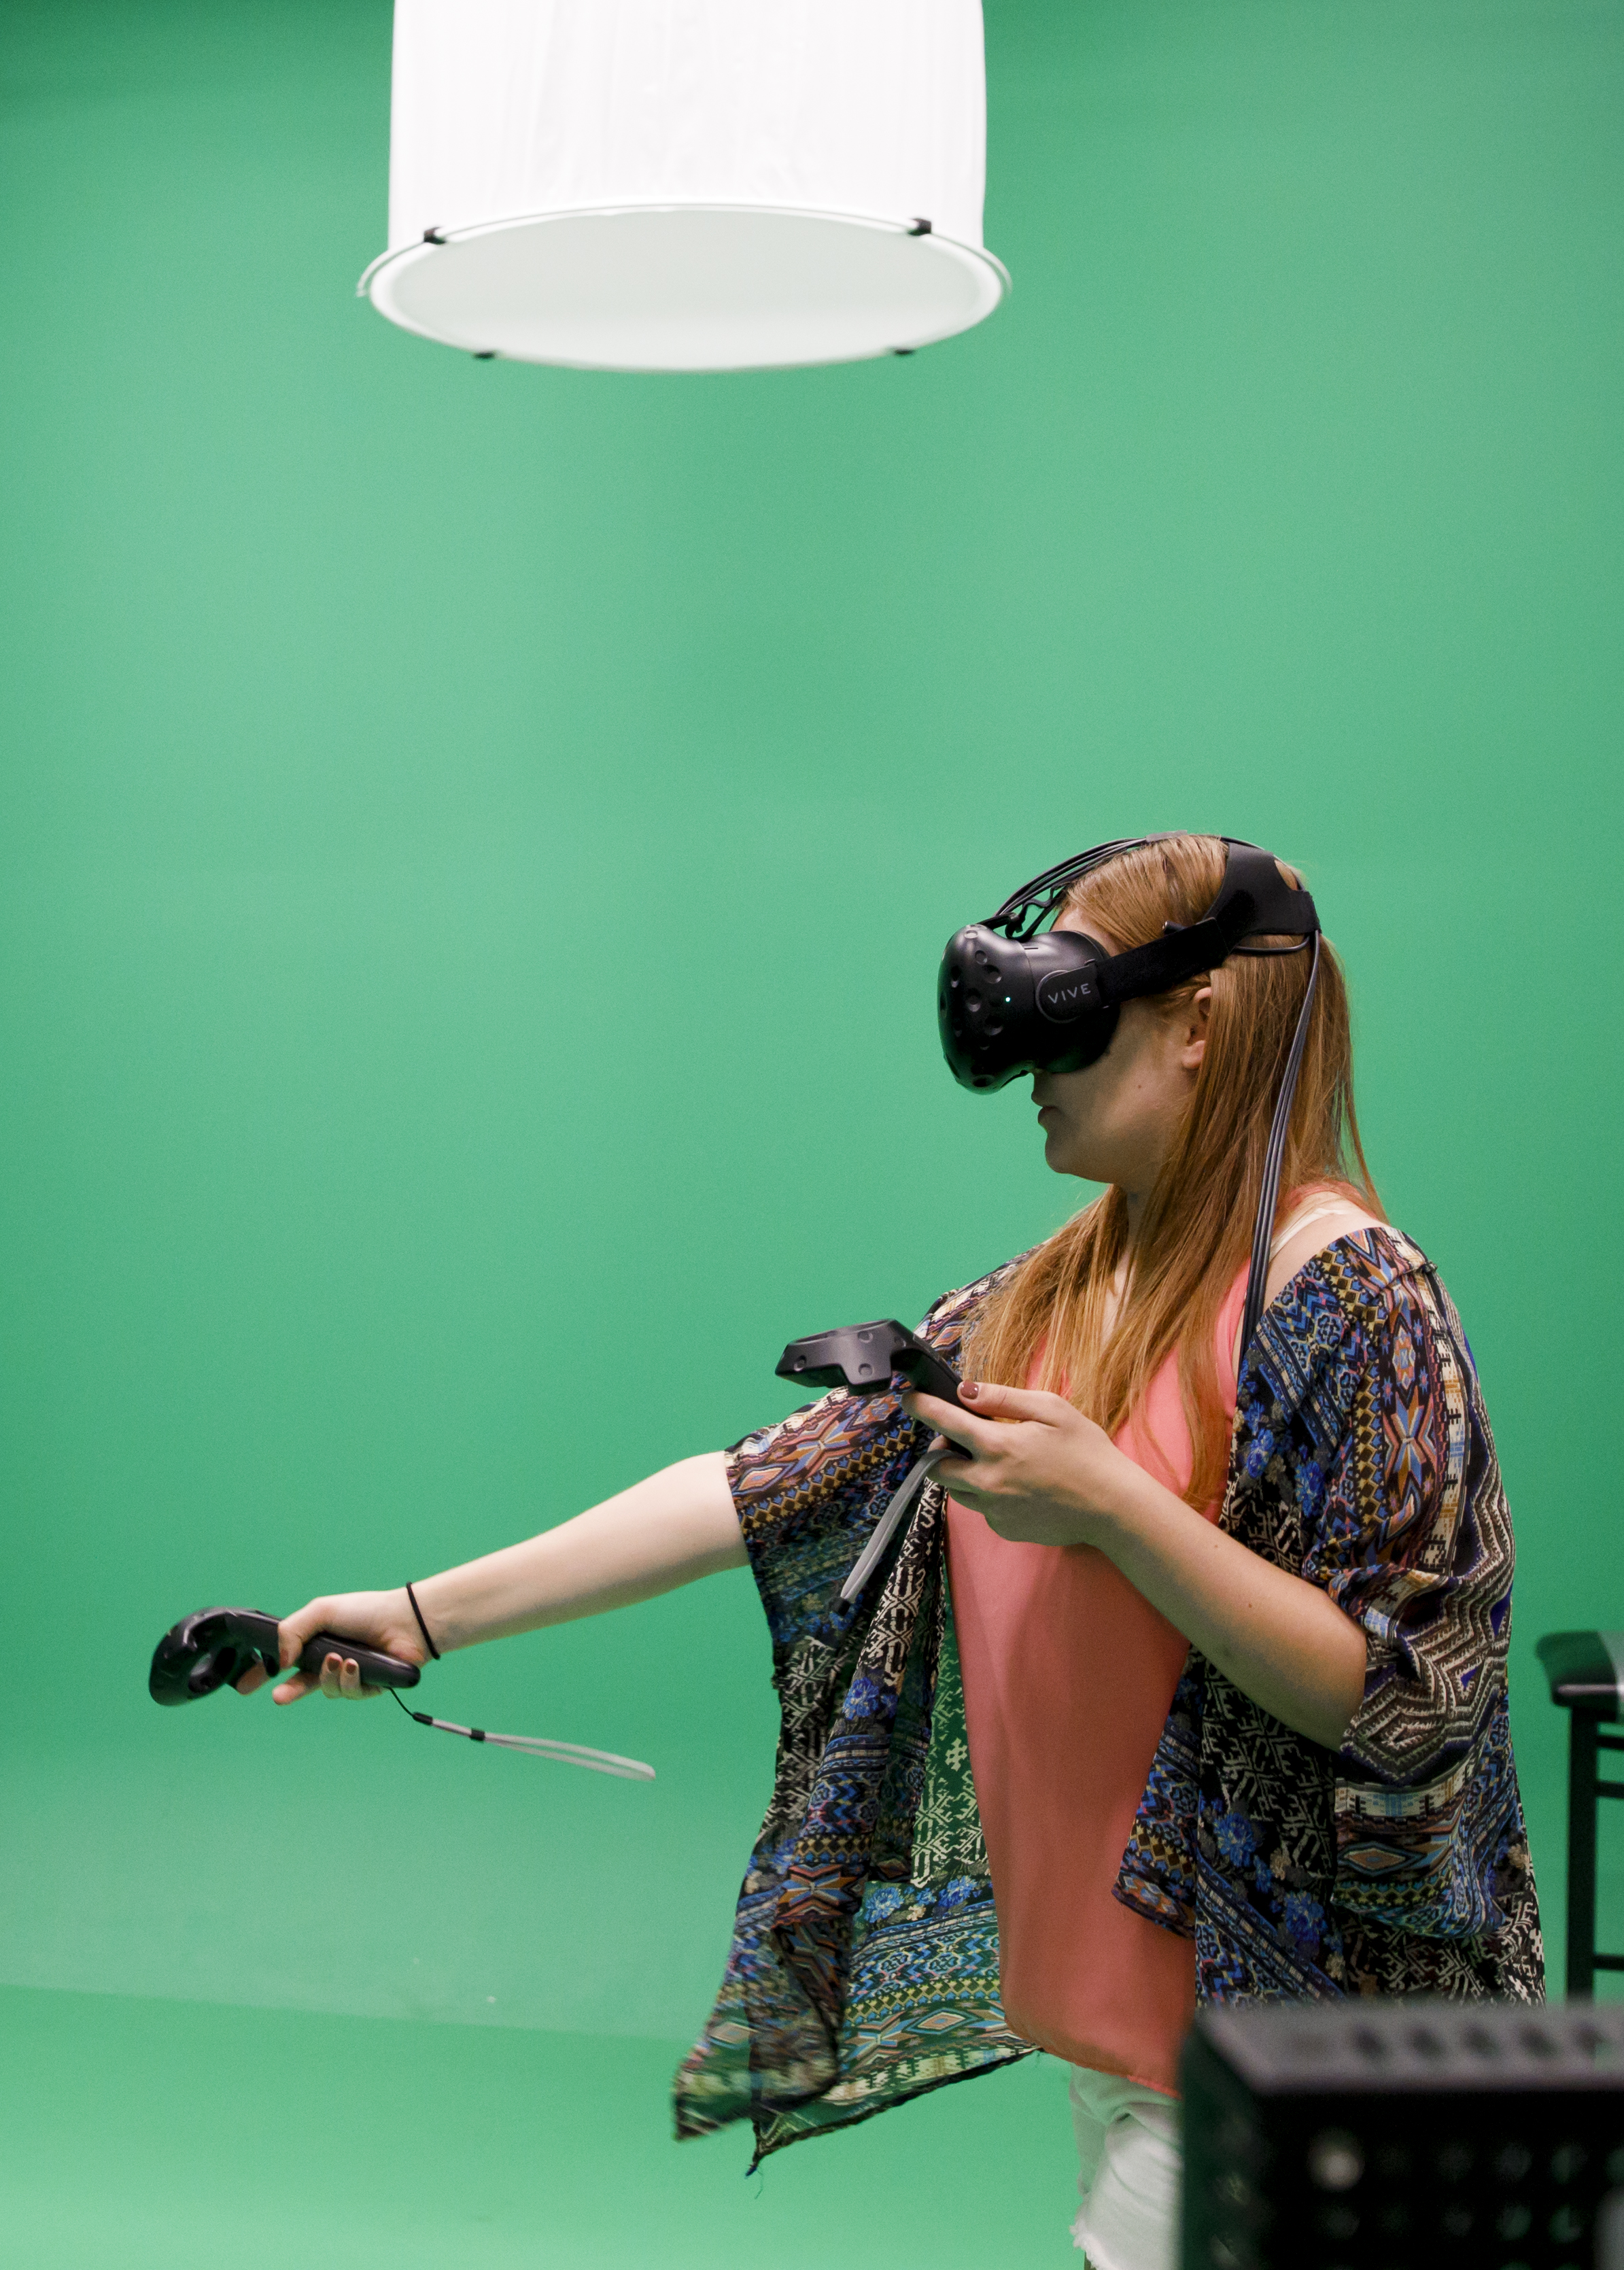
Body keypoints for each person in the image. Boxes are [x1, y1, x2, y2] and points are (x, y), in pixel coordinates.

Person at [241, 834, 1538, 2270]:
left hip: (1298, 2073)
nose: (1019, 1058)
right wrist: (423, 1617)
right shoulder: (1060, 1291)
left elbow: (1414, 1696)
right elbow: (754, 1489)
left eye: (1067, 1005)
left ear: (1197, 1022)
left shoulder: (1349, 1293)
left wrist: (1116, 1505)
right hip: (1135, 2059)